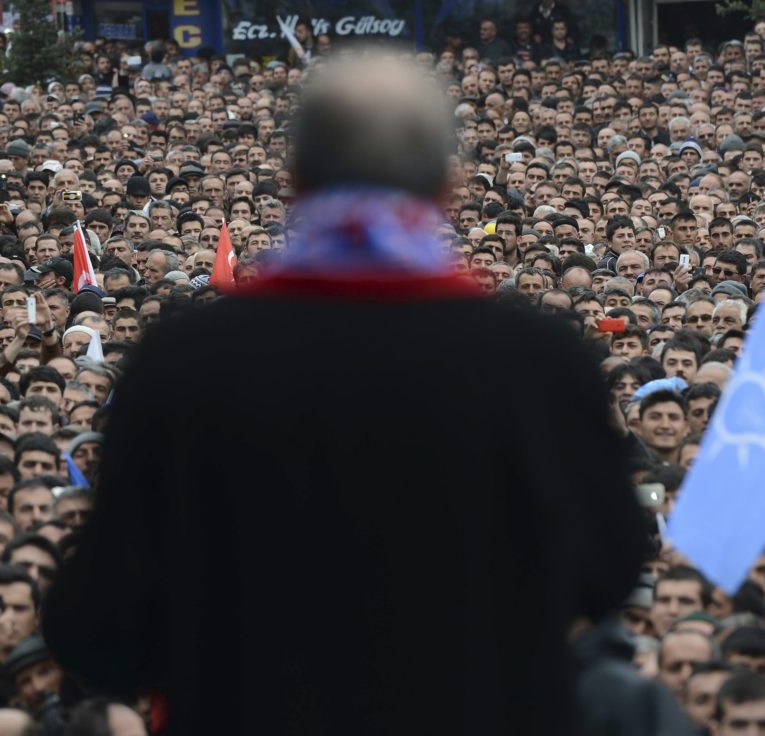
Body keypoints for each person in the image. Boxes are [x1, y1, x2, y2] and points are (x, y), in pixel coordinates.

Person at [44, 50, 647, 734]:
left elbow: (100, 628)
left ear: (296, 180)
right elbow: (608, 568)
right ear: (446, 186)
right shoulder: (537, 360)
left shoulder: (183, 361)